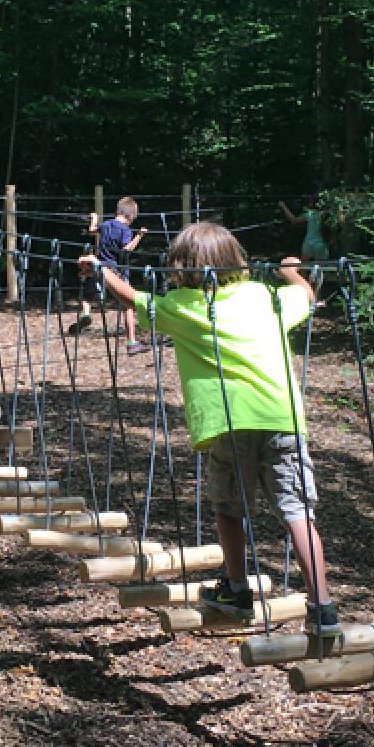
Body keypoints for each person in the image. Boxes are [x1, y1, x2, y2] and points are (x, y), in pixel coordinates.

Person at [79, 222, 342, 636]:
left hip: (228, 425)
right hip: (282, 417)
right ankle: (323, 607)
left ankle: (236, 588)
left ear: (181, 266)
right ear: (236, 258)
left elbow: (133, 298)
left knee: (229, 507)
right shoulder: (265, 295)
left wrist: (100, 269)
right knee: (297, 511)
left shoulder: (185, 306)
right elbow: (308, 296)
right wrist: (291, 270)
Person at [70, 196, 148, 355]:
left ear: (117, 211)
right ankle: (131, 342)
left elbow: (92, 230)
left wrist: (94, 218)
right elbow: (126, 249)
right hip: (117, 270)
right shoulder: (125, 229)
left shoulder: (106, 225)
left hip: (99, 267)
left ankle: (86, 313)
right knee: (128, 306)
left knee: (87, 295)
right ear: (131, 216)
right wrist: (139, 235)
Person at [279, 194, 332, 262]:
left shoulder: (310, 214)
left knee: (303, 267)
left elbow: (294, 220)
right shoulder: (326, 214)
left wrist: (283, 206)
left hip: (308, 243)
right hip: (320, 244)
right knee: (319, 268)